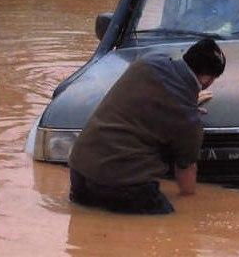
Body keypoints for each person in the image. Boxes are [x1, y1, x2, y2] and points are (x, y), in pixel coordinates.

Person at [68, 38, 226, 214]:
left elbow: (144, 99)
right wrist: (190, 202)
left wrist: (187, 101)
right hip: (123, 187)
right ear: (208, 80)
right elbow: (185, 177)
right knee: (173, 225)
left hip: (79, 174)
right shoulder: (188, 119)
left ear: (188, 56)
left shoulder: (147, 63)